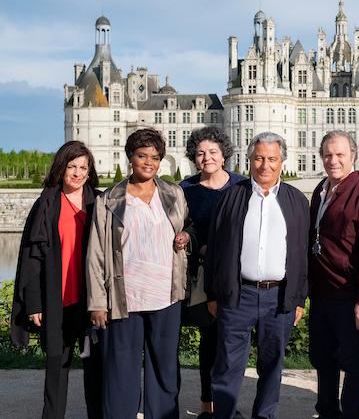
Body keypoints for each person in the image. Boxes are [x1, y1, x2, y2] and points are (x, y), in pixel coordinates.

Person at [86, 128, 195, 419]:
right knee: (120, 371)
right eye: (142, 155)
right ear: (130, 157)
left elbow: (188, 228)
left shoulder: (173, 193)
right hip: (125, 298)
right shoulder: (109, 200)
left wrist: (186, 235)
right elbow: (96, 254)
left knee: (164, 370)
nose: (149, 162)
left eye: (155, 157)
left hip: (166, 296)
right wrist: (98, 302)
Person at [204, 132, 309, 419]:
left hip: (278, 297)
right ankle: (224, 415)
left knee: (272, 365)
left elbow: (301, 254)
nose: (265, 165)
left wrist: (298, 297)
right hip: (238, 295)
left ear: (282, 161)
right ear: (249, 160)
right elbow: (215, 249)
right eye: (259, 158)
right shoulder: (231, 197)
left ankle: (265, 416)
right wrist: (214, 293)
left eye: (272, 159)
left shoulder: (297, 200)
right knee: (227, 364)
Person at [10, 141, 102, 419]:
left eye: (83, 167)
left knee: (95, 372)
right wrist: (34, 304)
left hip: (90, 304)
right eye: (71, 166)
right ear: (61, 168)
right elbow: (31, 258)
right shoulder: (47, 204)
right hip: (57, 303)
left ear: (89, 171)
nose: (77, 173)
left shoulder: (99, 202)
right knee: (56, 370)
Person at [308, 130, 359, 419]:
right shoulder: (322, 190)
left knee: (353, 364)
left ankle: (352, 415)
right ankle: (327, 411)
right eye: (327, 154)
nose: (333, 160)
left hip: (349, 295)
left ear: (354, 156)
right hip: (323, 293)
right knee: (323, 358)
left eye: (340, 154)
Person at [180, 126, 246, 419]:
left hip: (236, 275)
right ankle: (209, 406)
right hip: (201, 277)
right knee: (210, 342)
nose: (207, 158)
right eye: (200, 153)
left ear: (224, 155)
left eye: (212, 152)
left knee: (231, 344)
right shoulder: (186, 189)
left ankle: (225, 404)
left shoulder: (241, 187)